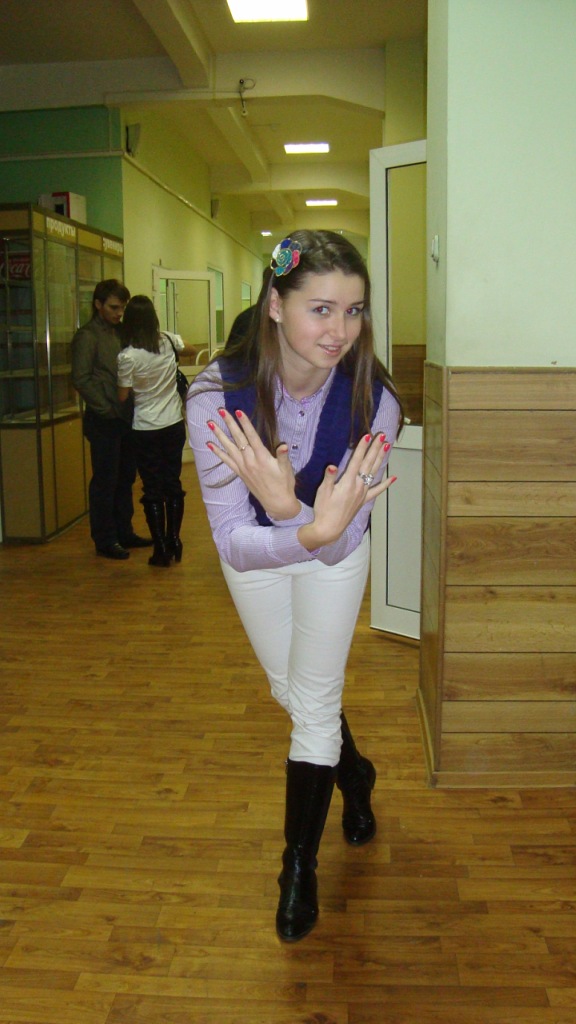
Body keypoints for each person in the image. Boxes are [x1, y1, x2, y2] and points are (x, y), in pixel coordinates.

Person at [186, 230, 403, 943]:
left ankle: (298, 869)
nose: (340, 330)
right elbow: (232, 540)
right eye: (321, 309)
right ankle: (356, 772)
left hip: (335, 560)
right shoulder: (217, 396)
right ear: (276, 306)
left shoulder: (374, 402)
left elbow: (338, 542)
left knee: (312, 708)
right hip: (256, 557)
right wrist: (296, 523)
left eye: (354, 310)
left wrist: (292, 515)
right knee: (294, 690)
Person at [72, 279, 152, 560]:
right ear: (98, 305)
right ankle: (105, 539)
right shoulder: (87, 336)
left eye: (122, 308)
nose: (119, 313)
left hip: (126, 417)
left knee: (125, 478)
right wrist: (106, 409)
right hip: (104, 420)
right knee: (105, 481)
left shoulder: (121, 332)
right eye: (114, 307)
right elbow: (81, 378)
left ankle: (124, 532)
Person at [117, 295, 193, 567]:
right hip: (173, 424)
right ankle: (175, 539)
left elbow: (123, 396)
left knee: (152, 487)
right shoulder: (168, 341)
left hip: (145, 427)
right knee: (173, 482)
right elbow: (191, 350)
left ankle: (160, 548)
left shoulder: (127, 356)